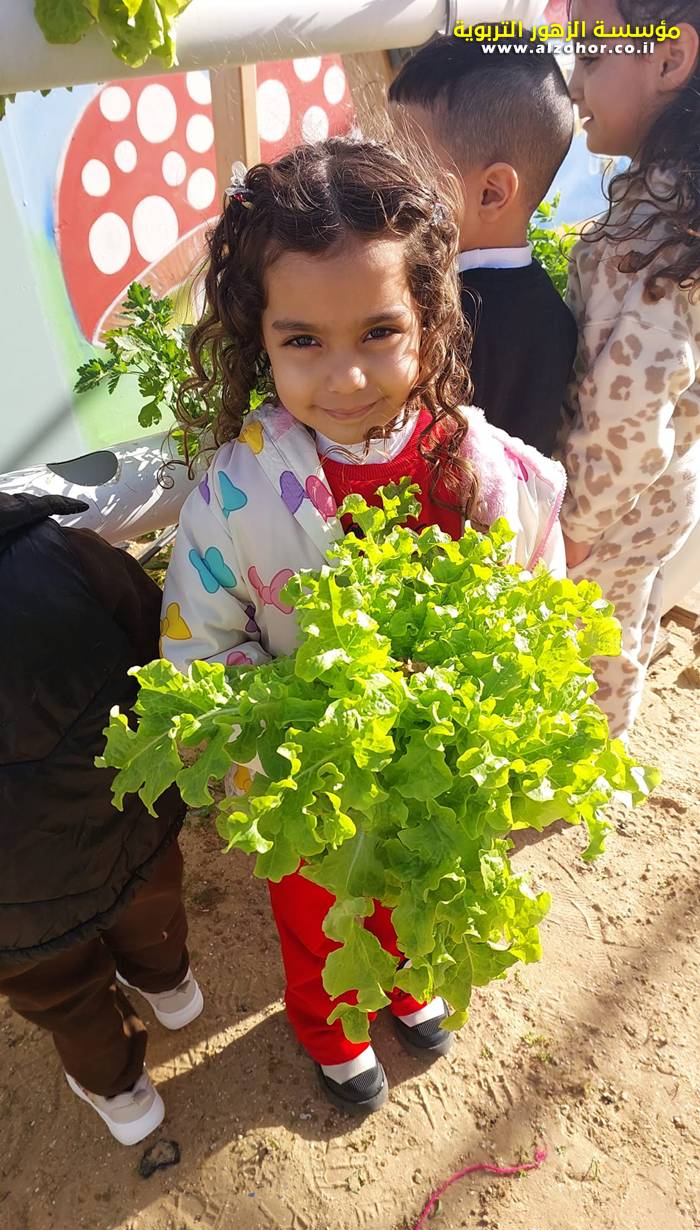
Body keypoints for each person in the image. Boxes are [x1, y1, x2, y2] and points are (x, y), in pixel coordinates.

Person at [160, 137, 566, 1114]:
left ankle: (410, 981)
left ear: (428, 320)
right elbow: (198, 650)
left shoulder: (485, 469)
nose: (344, 377)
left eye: (379, 331)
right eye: (303, 340)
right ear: (259, 339)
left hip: (437, 773)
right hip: (314, 788)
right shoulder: (235, 498)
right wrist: (288, 725)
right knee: (322, 914)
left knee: (417, 886)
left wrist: (505, 694)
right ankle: (332, 1029)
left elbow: (539, 602)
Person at [0, 492, 203, 1146]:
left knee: (62, 992)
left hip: (12, 906)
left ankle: (123, 1095)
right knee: (151, 907)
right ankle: (172, 988)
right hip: (125, 816)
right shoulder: (61, 552)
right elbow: (155, 635)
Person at [560, 0, 700, 739]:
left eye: (590, 53)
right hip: (658, 490)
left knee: (590, 651)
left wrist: (578, 525)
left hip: (616, 499)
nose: (573, 82)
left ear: (669, 59)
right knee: (624, 623)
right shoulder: (677, 203)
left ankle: (586, 766)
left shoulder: (654, 226)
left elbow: (634, 403)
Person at [388, 33, 577, 456]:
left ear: (491, 193)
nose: (387, 182)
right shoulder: (555, 316)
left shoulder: (443, 311)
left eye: (407, 164)